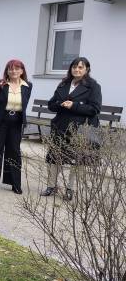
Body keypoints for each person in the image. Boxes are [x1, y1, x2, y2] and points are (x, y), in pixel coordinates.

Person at [41, 57, 101, 201]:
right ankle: (51, 186)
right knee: (54, 157)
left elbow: (95, 109)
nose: (77, 69)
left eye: (81, 67)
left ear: (87, 69)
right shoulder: (64, 84)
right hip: (60, 126)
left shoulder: (93, 86)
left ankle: (70, 189)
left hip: (78, 129)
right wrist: (59, 104)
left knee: (77, 160)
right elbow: (51, 104)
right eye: (74, 67)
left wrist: (74, 105)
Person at [0, 59, 32, 194]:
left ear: (22, 71)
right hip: (0, 121)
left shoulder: (28, 85)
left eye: (16, 68)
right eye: (10, 69)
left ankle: (15, 183)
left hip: (16, 122)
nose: (13, 71)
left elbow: (25, 104)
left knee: (14, 152)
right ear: (7, 71)